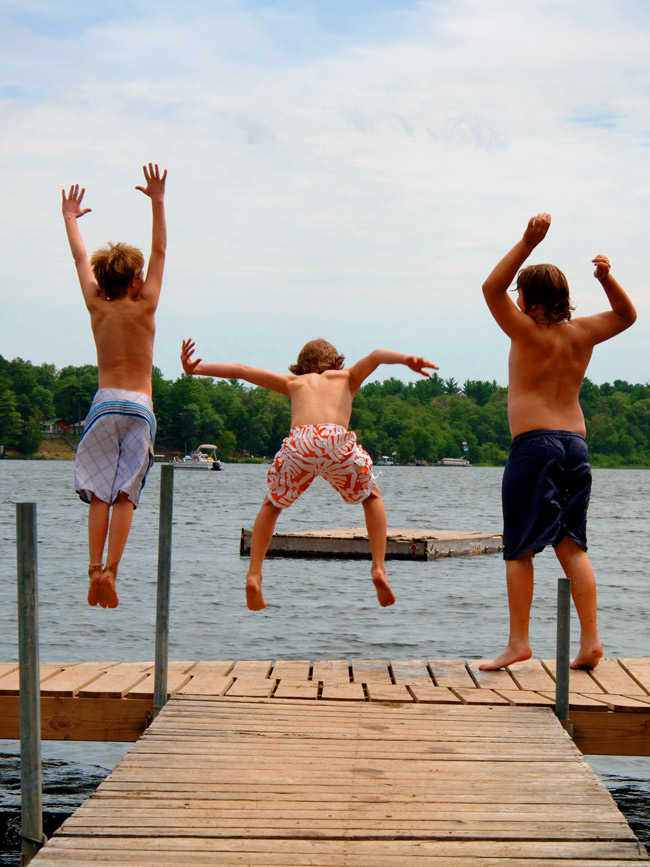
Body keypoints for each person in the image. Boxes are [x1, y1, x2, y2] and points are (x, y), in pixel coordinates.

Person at [480, 213, 636, 671]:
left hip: (534, 448)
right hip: (575, 445)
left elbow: (490, 288)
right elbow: (627, 315)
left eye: (519, 295)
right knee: (572, 545)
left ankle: (518, 643)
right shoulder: (583, 333)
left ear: (528, 301)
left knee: (520, 547)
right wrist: (607, 279)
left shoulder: (526, 331)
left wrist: (527, 242)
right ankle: (590, 641)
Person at [180, 337, 437, 611]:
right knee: (371, 496)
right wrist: (407, 359)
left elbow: (242, 370)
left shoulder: (294, 383)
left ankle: (254, 575)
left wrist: (196, 369)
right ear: (336, 362)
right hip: (335, 440)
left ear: (299, 368)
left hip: (300, 443)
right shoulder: (347, 377)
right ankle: (378, 568)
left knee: (272, 504)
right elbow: (376, 356)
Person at [61, 164, 167, 609]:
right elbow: (161, 249)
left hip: (105, 405)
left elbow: (79, 260)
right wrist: (157, 201)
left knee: (99, 493)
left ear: (104, 281)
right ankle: (112, 572)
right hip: (140, 407)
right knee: (126, 493)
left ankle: (92, 568)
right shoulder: (145, 305)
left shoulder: (96, 307)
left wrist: (70, 218)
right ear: (136, 280)